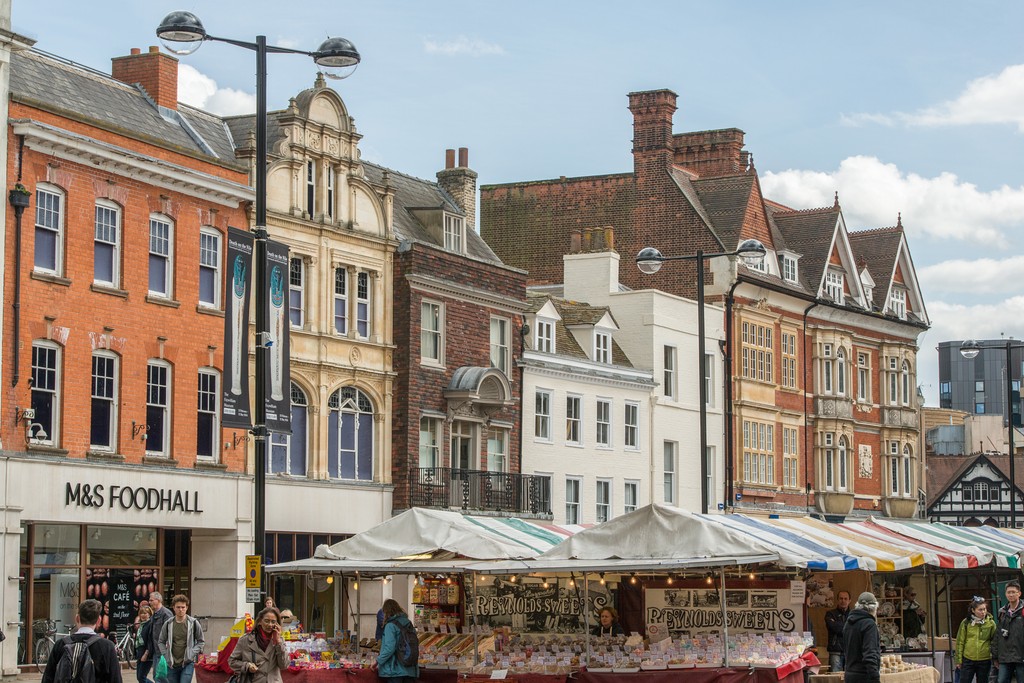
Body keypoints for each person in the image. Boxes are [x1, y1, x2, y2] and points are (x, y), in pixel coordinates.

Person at [42, 599, 123, 683]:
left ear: (77, 618)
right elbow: (115, 679)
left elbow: (47, 679)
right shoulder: (107, 646)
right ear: (99, 620)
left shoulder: (60, 644)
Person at [229, 607, 288, 683]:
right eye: (267, 621)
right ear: (260, 621)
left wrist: (278, 642)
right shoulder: (245, 640)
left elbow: (284, 665)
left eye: (273, 622)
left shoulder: (280, 641)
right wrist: (247, 666)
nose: (270, 625)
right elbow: (232, 661)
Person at [156, 595, 204, 683]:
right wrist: (166, 654)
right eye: (178, 607)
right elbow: (161, 641)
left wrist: (192, 653)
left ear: (187, 608)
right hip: (172, 663)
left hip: (187, 663)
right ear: (173, 608)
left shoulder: (193, 623)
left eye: (183, 607)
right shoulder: (168, 623)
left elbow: (201, 641)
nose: (180, 609)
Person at [377, 599, 418, 683]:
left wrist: (378, 661)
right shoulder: (408, 623)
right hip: (410, 669)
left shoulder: (390, 626)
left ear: (386, 612)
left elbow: (389, 648)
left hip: (395, 670)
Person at [843, 592, 881, 683]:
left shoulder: (848, 623)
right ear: (874, 608)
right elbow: (870, 654)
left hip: (849, 674)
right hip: (864, 675)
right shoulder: (869, 624)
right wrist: (875, 678)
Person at [957, 596, 996, 683]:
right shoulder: (966, 623)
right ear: (973, 610)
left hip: (984, 659)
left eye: (984, 609)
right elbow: (960, 641)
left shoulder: (991, 623)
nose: (983, 612)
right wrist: (959, 660)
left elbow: (995, 641)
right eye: (980, 610)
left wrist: (995, 657)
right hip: (968, 659)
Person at [993, 581, 1024, 683]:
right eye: (1008, 592)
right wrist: (995, 655)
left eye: (1013, 592)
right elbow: (998, 635)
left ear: (1019, 593)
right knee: (1001, 680)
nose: (1011, 595)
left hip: (1021, 656)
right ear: (1005, 594)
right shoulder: (1002, 612)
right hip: (1005, 656)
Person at [140, 591, 173, 680]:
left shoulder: (166, 614)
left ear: (158, 600)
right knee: (157, 676)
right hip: (156, 651)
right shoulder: (154, 615)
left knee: (162, 677)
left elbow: (170, 632)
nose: (149, 602)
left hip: (164, 652)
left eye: (151, 600)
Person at [825, 591, 852, 672]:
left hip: (850, 651)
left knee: (851, 677)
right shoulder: (830, 614)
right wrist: (848, 627)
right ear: (837, 600)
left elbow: (855, 630)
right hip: (835, 651)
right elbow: (834, 628)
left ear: (849, 600)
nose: (843, 601)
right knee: (835, 678)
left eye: (845, 599)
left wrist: (837, 623)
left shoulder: (853, 614)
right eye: (841, 598)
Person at [135, 604, 154, 683]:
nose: (143, 615)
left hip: (147, 655)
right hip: (140, 653)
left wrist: (146, 654)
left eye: (145, 613)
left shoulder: (150, 625)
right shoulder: (141, 625)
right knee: (139, 677)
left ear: (149, 614)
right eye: (141, 613)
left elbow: (150, 641)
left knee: (141, 677)